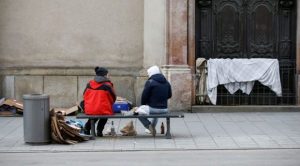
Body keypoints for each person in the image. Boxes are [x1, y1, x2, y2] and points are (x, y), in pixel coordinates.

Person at [80, 66, 116, 137]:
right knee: (104, 115)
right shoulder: (107, 85)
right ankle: (99, 131)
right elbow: (113, 98)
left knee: (94, 114)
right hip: (103, 110)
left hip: (89, 109)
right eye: (108, 74)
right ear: (105, 75)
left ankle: (87, 129)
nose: (109, 76)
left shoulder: (89, 84)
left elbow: (84, 95)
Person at [138, 65, 172, 136]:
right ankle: (152, 127)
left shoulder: (150, 82)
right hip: (164, 109)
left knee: (137, 112)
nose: (148, 75)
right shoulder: (167, 82)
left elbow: (144, 96)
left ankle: (149, 126)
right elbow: (169, 95)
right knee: (156, 112)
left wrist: (143, 105)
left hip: (153, 109)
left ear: (151, 73)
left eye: (148, 74)